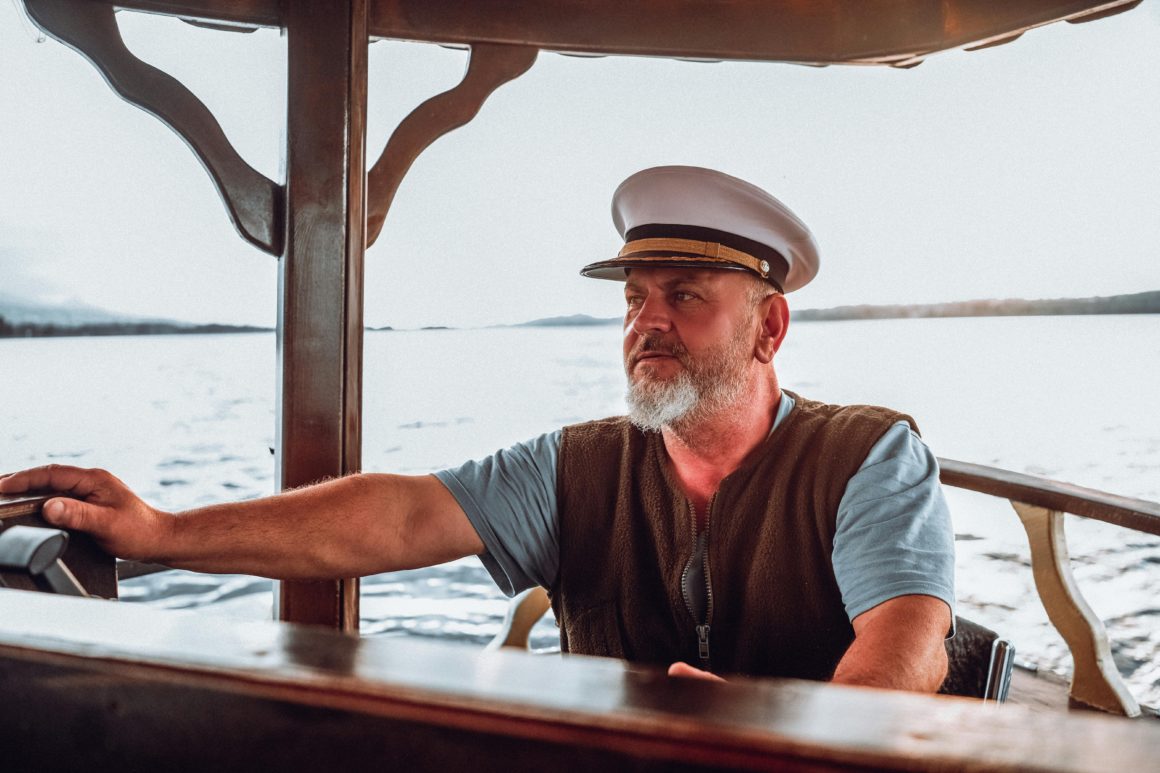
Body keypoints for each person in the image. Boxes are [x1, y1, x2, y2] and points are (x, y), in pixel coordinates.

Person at [0, 166, 954, 692]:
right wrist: (162, 531)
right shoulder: (576, 466)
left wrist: (781, 738)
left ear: (769, 328)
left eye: (685, 295)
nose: (646, 322)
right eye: (633, 298)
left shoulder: (868, 457)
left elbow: (907, 645)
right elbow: (399, 515)